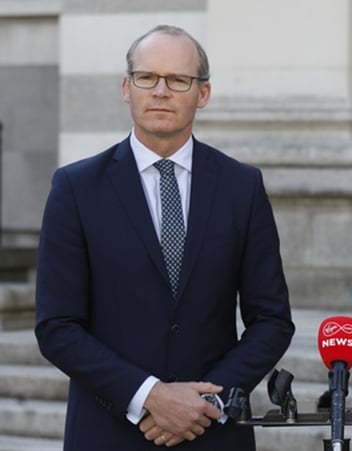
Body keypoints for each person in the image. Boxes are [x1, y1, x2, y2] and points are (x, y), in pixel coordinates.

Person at [35, 24, 295, 450]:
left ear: (203, 93)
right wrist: (150, 396)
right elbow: (57, 326)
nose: (160, 91)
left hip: (212, 432)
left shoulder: (241, 187)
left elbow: (271, 320)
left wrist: (206, 401)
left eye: (178, 80)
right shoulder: (76, 189)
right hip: (109, 432)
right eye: (147, 78)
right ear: (126, 87)